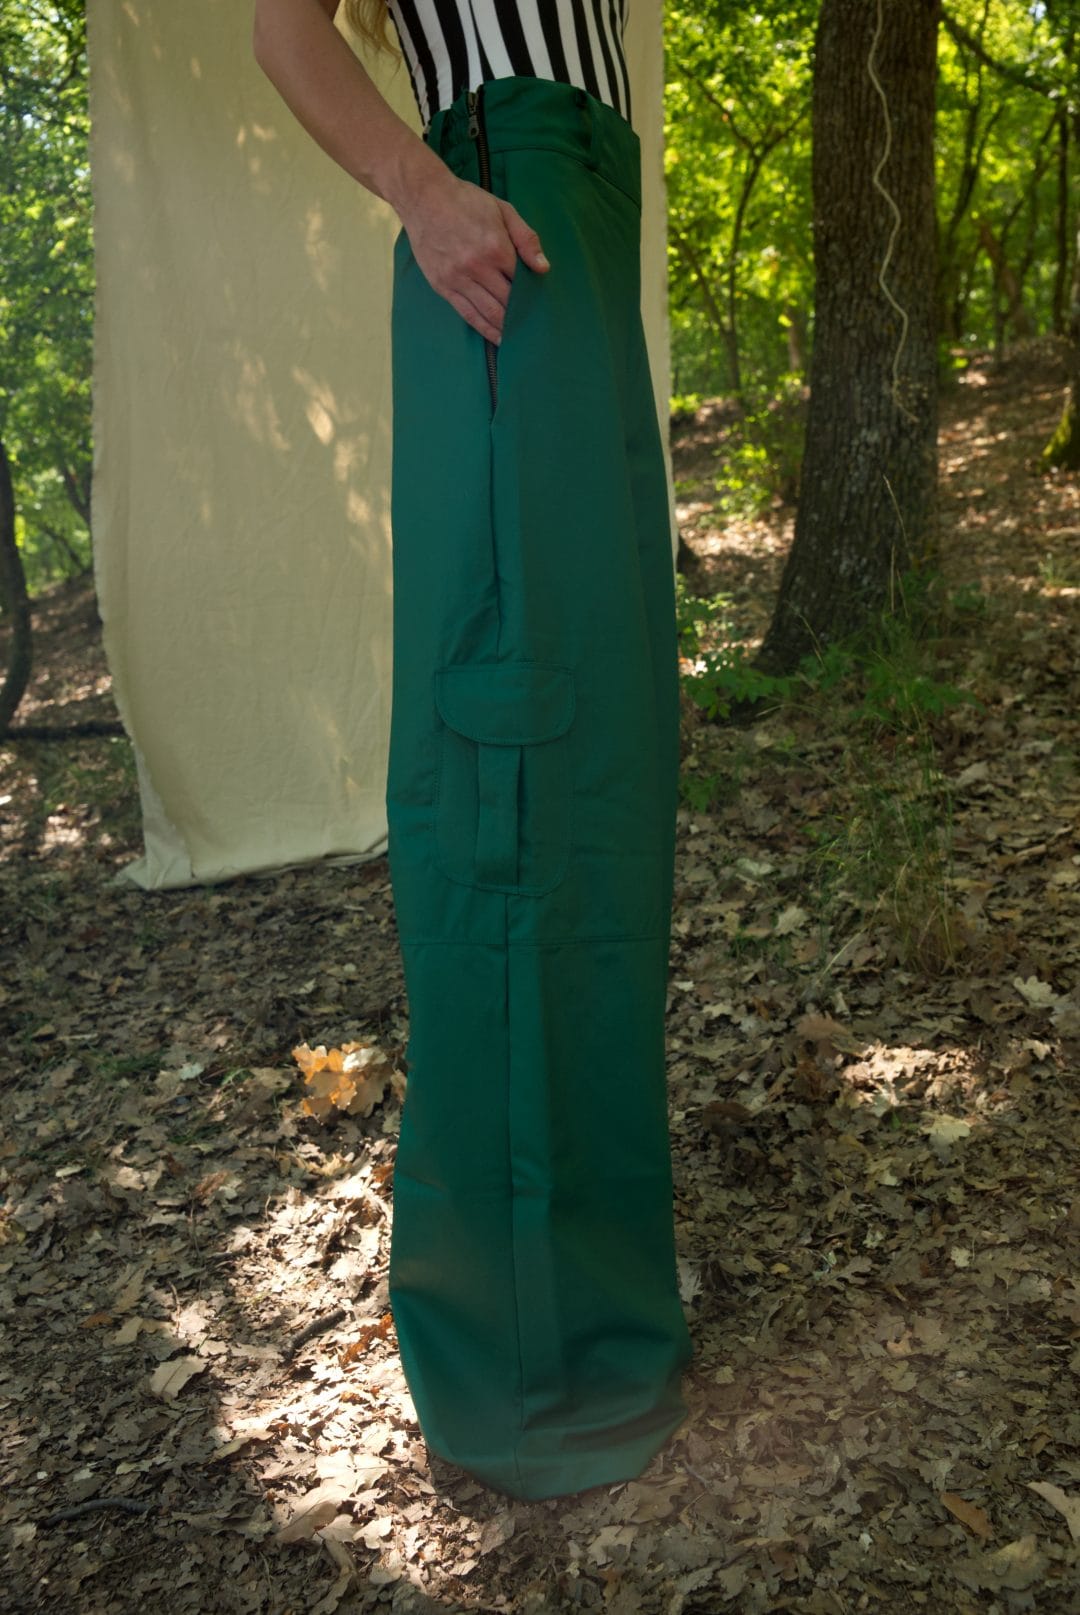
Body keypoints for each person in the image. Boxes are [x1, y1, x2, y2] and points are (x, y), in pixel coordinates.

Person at [253, 0, 692, 1502]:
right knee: (515, 761)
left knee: (604, 772)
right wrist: (425, 192)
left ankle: (601, 1308)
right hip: (503, 207)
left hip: (584, 228)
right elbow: (284, 29)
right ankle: (525, 1367)